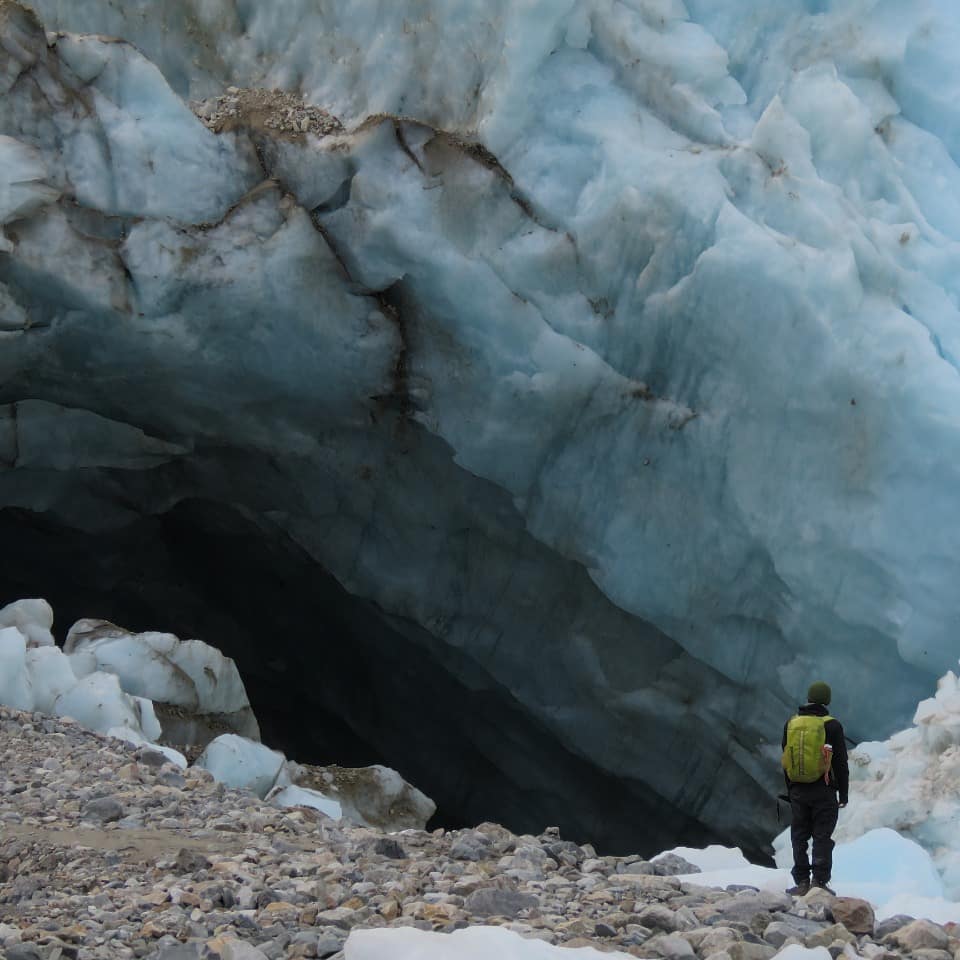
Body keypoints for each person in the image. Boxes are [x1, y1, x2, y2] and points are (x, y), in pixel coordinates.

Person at [781, 680, 848, 896]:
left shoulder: (792, 723)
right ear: (826, 701)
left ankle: (801, 882)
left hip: (798, 790)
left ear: (808, 699)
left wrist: (791, 788)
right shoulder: (832, 726)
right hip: (824, 790)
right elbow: (840, 763)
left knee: (799, 835)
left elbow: (786, 758)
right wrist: (843, 793)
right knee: (822, 835)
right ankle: (819, 882)